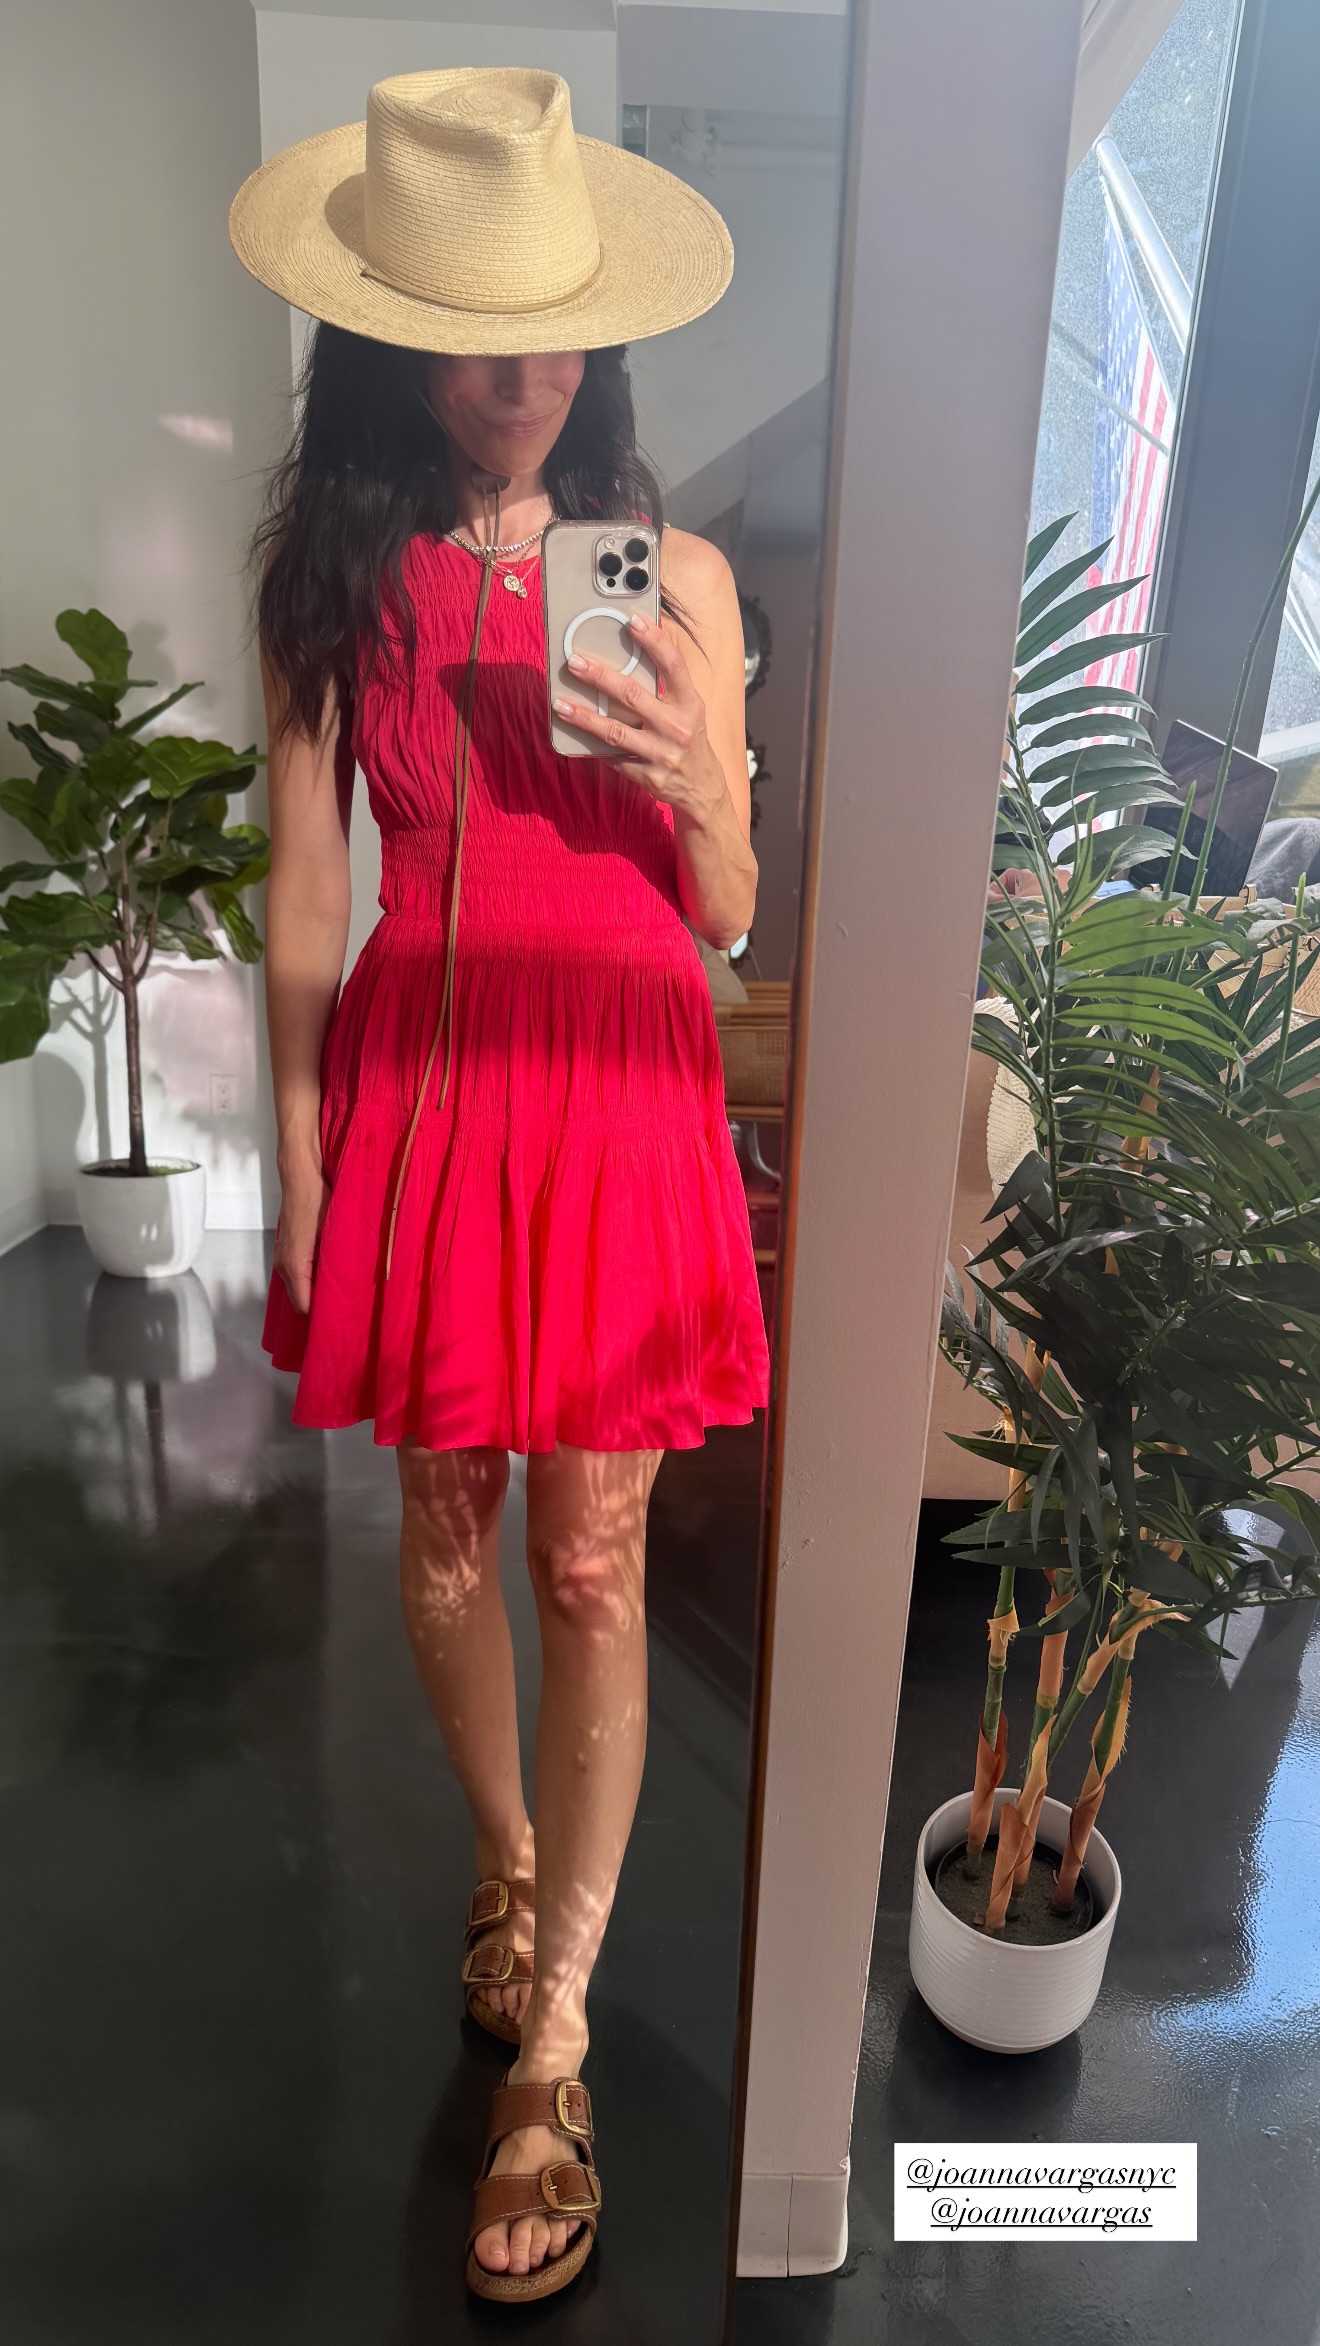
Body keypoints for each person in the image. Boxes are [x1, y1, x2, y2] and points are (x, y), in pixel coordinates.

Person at [229, 65, 769, 2305]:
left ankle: (556, 2044)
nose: (521, 385)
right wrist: (296, 1153)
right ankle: (512, 1853)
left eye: (554, 340)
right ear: (392, 345)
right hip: (435, 1091)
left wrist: (700, 767)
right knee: (447, 1528)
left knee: (596, 1554)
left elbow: (728, 907)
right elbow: (303, 891)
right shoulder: (334, 582)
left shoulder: (680, 578)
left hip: (621, 1090)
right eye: (474, 346)